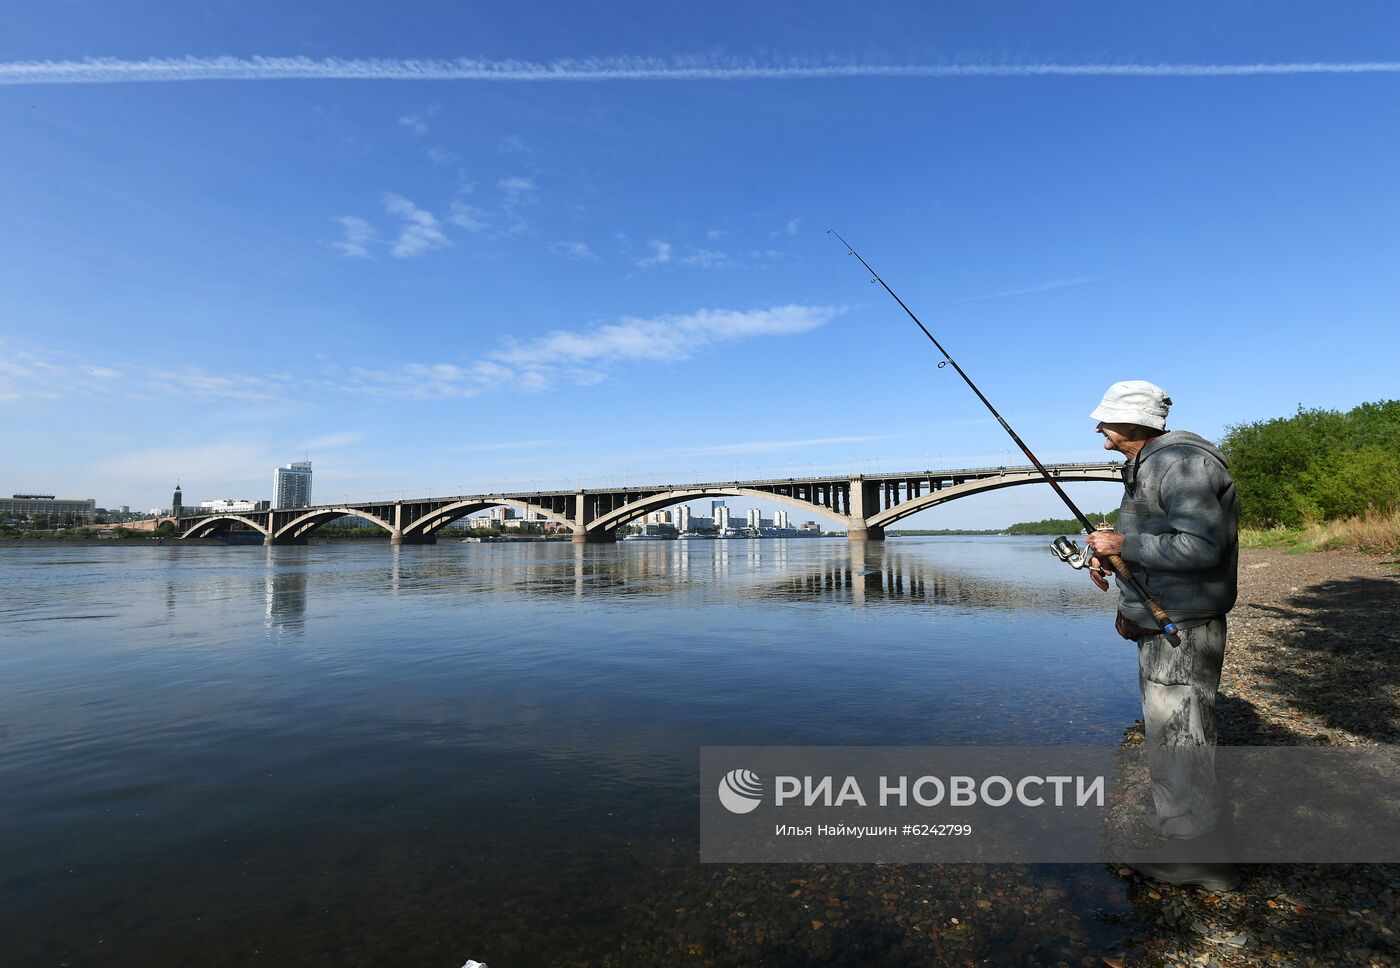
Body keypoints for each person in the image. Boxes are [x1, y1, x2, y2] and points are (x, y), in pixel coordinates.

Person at [1083, 380, 1241, 892]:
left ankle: (1199, 857)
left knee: (1180, 733)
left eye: (1106, 417)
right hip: (1166, 620)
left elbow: (1201, 547)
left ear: (1137, 421)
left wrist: (1124, 541)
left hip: (1184, 627)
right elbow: (1162, 542)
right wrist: (1113, 557)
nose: (1098, 425)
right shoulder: (1149, 463)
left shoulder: (1181, 464)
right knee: (1169, 729)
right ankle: (1183, 824)